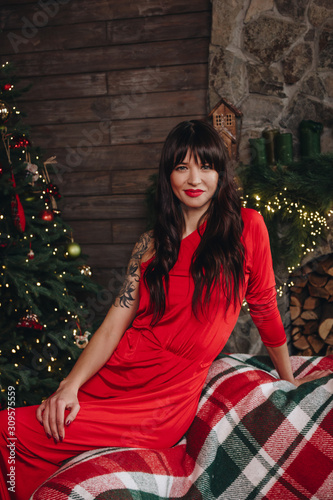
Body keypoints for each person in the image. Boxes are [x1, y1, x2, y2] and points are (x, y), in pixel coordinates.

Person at [0, 119, 330, 500]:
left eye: (206, 166)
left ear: (221, 174)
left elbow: (265, 307)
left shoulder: (247, 228)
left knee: (9, 427)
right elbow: (113, 325)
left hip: (161, 403)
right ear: (168, 175)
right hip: (114, 377)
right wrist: (70, 385)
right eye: (181, 166)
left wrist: (287, 378)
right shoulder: (150, 243)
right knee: (19, 426)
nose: (194, 178)